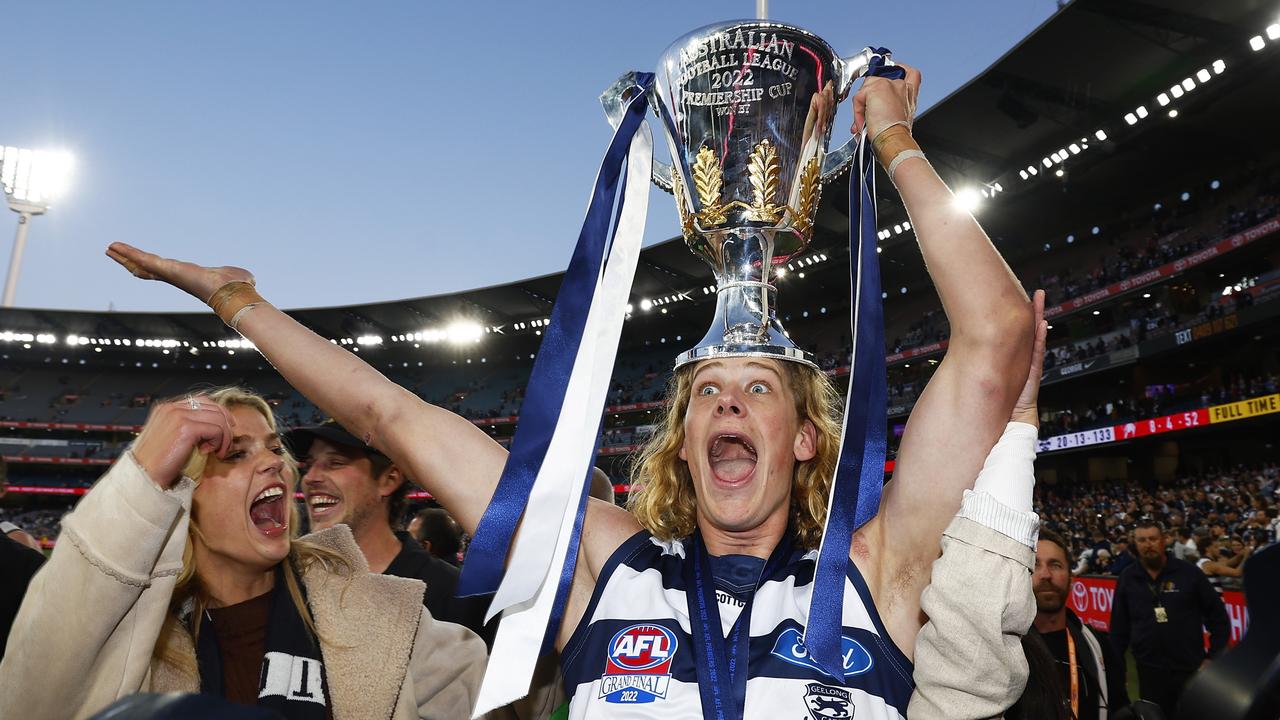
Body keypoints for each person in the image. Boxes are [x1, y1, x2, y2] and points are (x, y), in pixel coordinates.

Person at [106, 58, 1034, 719]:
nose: (727, 405)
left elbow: (996, 336)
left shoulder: (877, 574)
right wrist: (240, 303)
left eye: (758, 388)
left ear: (803, 437)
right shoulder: (604, 566)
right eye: (706, 391)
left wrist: (896, 142)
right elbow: (392, 416)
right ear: (681, 440)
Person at [0, 388, 485, 719]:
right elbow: (33, 694)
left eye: (274, 449)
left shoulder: (388, 616)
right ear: (182, 496)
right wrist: (141, 477)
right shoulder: (135, 641)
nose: (276, 462)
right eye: (236, 454)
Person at [286, 420, 492, 643]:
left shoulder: (453, 595)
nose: (310, 477)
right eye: (309, 465)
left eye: (335, 462)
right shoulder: (291, 584)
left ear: (388, 479)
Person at [1110, 520, 1230, 716]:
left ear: (1164, 540)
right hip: (1148, 672)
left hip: (1189, 669)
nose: (1148, 544)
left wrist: (1212, 657)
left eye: (1153, 539)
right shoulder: (1128, 577)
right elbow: (1118, 630)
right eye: (1142, 540)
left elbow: (1218, 618)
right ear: (1135, 543)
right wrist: (1118, 669)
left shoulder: (1189, 573)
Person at [1032, 528, 1129, 719]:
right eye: (1034, 565)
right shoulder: (1005, 647)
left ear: (1071, 579)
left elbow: (1118, 707)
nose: (1045, 574)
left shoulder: (1098, 645)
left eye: (1055, 565)